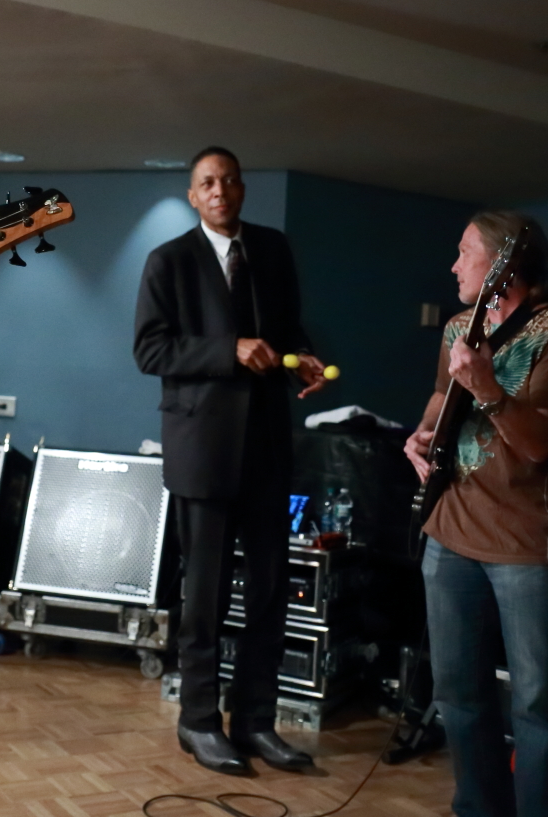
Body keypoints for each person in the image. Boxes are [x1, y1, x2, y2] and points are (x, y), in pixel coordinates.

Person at [134, 147, 325, 775]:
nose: (219, 191)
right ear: (193, 196)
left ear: (242, 190)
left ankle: (255, 722)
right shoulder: (168, 261)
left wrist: (304, 358)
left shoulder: (273, 249)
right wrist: (229, 349)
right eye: (207, 183)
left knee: (269, 594)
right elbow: (150, 349)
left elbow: (288, 330)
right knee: (205, 599)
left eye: (229, 181)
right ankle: (197, 722)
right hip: (203, 453)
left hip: (267, 449)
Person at [405, 211, 548, 817]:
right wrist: (422, 432)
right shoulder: (459, 326)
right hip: (450, 532)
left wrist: (488, 387)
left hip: (524, 545)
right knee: (458, 692)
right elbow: (442, 392)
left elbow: (540, 444)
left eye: (466, 252)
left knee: (537, 704)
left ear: (504, 267)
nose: (453, 265)